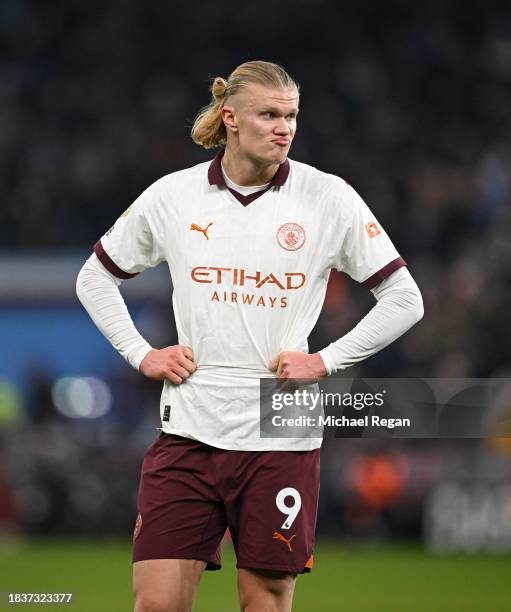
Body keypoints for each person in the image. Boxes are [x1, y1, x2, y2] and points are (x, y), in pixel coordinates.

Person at [76, 60, 423, 612]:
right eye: (269, 114)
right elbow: (95, 276)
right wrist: (140, 353)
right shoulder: (175, 196)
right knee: (157, 604)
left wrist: (325, 361)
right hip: (190, 427)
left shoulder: (328, 197)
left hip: (280, 430)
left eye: (291, 115)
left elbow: (406, 299)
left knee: (263, 601)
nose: (284, 127)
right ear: (231, 118)